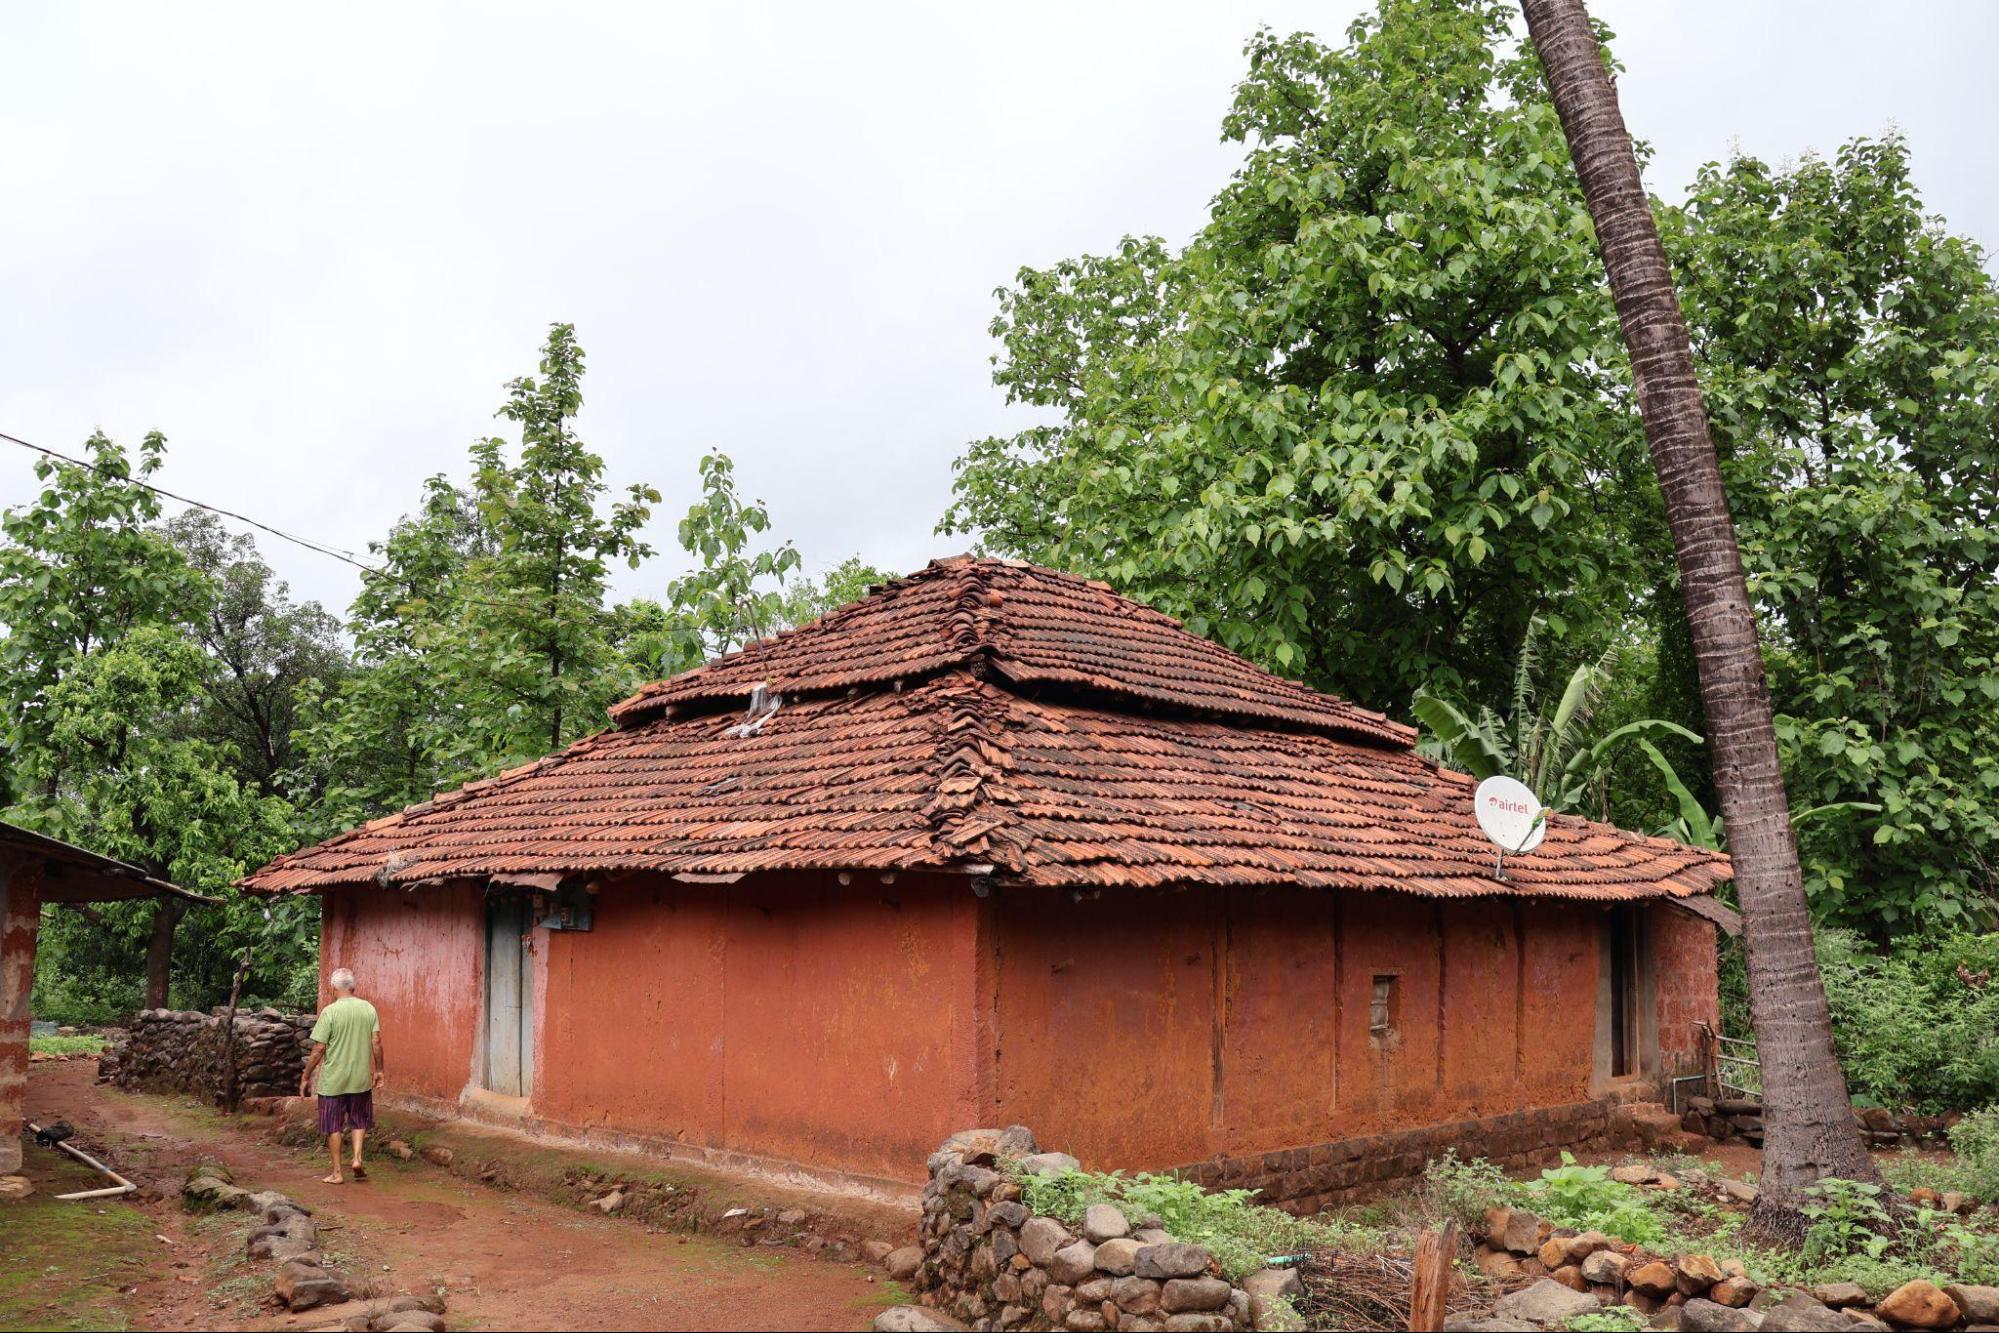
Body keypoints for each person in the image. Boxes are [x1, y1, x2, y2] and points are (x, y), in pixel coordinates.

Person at [298, 967, 384, 1184]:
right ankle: (356, 1158)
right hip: (360, 1079)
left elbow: (318, 1049)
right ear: (353, 987)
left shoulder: (330, 1012)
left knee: (333, 1125)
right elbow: (376, 1042)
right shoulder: (368, 1009)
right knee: (359, 1120)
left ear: (333, 988)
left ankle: (337, 1172)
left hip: (333, 1081)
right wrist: (380, 1070)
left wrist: (306, 1076)